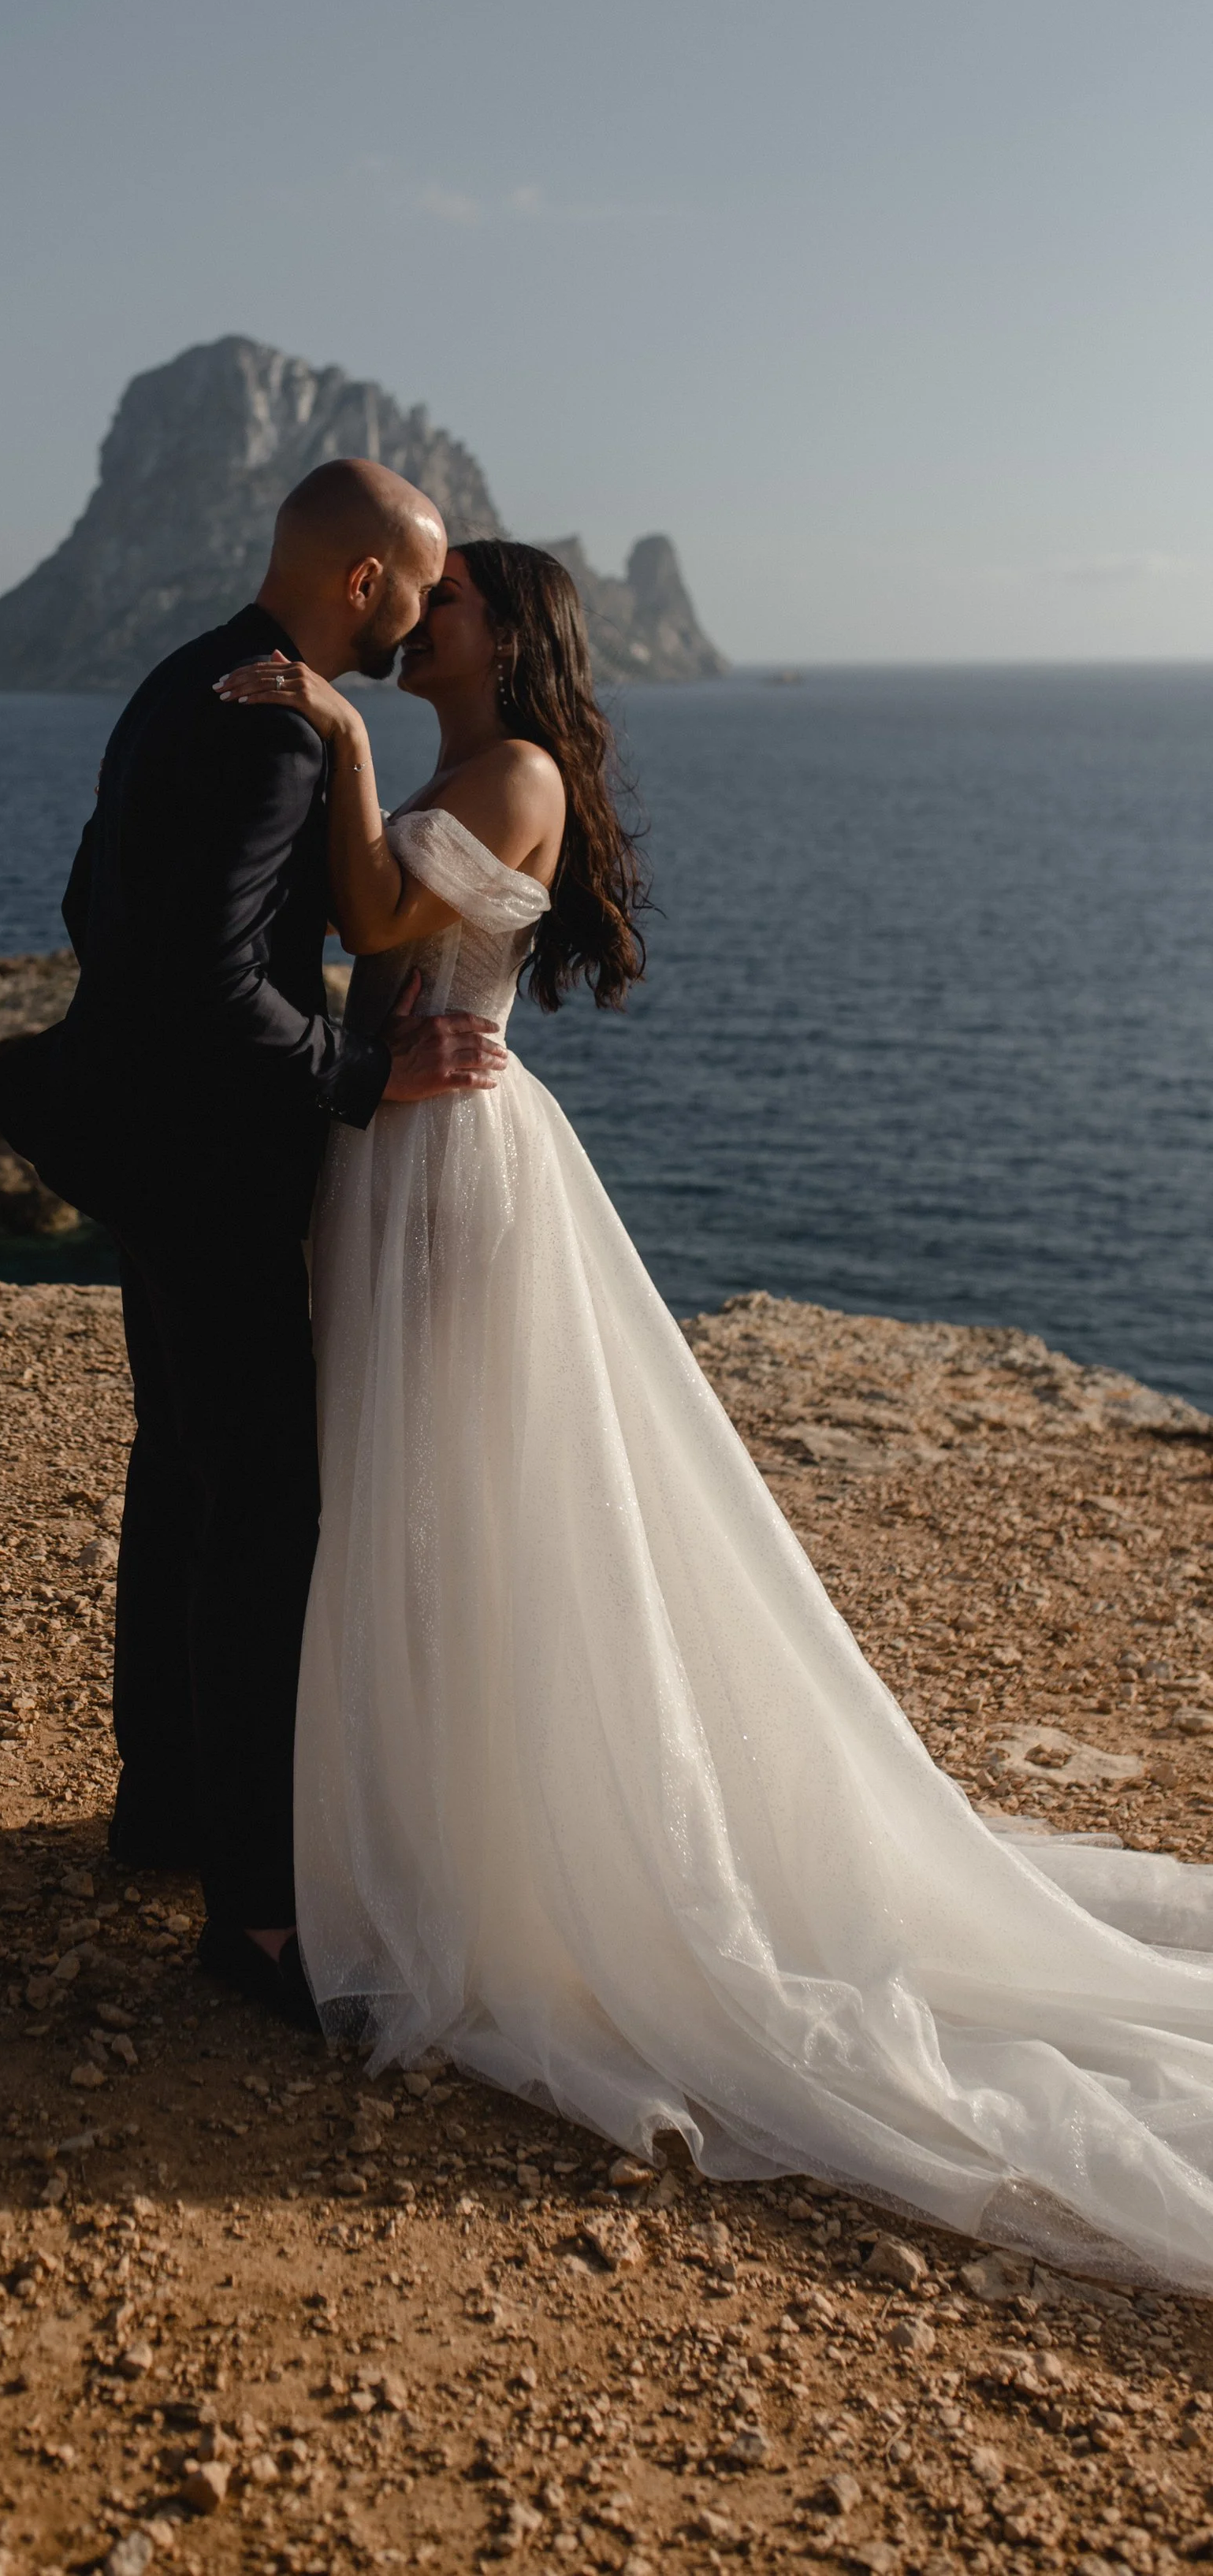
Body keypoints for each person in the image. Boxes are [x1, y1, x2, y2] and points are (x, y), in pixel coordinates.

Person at [215, 537, 1213, 2290]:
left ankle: (495, 1840)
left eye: (441, 604)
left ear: (500, 637)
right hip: (389, 1147)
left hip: (449, 1161)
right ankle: (444, 1811)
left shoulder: (504, 766)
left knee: (461, 1489)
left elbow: (378, 924)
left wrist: (332, 739)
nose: (409, 617)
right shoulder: (470, 764)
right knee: (410, 1490)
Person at [0, 460, 504, 2030]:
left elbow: (92, 898)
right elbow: (218, 983)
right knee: (260, 1515)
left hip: (145, 1155)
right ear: (362, 584)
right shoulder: (273, 726)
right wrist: (361, 1074)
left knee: (186, 1474)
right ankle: (258, 1917)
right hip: (210, 1174)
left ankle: (165, 1811)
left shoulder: (175, 680)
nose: (419, 611)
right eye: (414, 584)